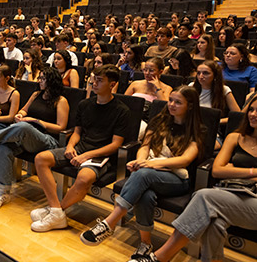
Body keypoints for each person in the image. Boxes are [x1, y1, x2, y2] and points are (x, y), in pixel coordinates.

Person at [81, 86, 205, 255]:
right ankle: (145, 245)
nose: (171, 105)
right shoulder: (159, 121)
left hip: (177, 179)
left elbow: (185, 160)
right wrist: (140, 161)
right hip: (149, 173)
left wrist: (150, 165)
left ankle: (109, 223)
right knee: (146, 195)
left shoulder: (197, 129)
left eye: (178, 102)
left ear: (190, 106)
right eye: (170, 100)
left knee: (144, 175)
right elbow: (145, 147)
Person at [138, 93, 257, 262]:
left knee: (204, 197)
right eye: (251, 109)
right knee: (215, 223)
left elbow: (224, 170)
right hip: (233, 193)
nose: (253, 114)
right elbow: (217, 170)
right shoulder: (236, 137)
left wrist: (234, 169)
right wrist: (253, 172)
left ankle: (160, 257)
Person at [29, 66, 130, 232]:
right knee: (41, 159)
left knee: (83, 178)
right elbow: (76, 132)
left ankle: (57, 212)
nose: (94, 83)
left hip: (101, 156)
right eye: (93, 79)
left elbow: (115, 145)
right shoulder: (85, 104)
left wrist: (86, 156)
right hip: (80, 148)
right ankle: (56, 211)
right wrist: (69, 146)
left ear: (112, 84)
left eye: (99, 80)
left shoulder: (122, 110)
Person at [0, 66, 70, 210]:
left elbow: (61, 127)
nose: (39, 81)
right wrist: (21, 115)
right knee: (4, 146)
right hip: (25, 135)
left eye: (43, 78)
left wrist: (37, 122)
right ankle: (3, 191)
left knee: (24, 127)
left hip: (47, 140)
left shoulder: (61, 100)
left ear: (51, 80)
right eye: (39, 78)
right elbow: (23, 110)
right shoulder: (36, 95)